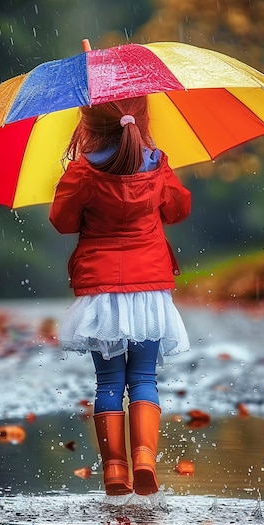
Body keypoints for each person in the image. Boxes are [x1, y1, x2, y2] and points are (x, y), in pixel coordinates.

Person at [49, 95, 191, 497]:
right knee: (144, 377)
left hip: (101, 289)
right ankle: (145, 459)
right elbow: (178, 209)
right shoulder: (156, 162)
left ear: (89, 125)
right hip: (148, 287)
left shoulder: (83, 170)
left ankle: (115, 469)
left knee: (108, 381)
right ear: (141, 118)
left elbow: (61, 222)